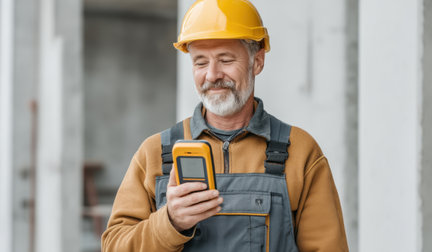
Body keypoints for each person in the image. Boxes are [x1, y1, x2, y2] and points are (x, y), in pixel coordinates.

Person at [101, 0, 348, 251]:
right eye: (200, 62)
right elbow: (114, 246)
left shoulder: (300, 152)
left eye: (225, 60)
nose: (212, 75)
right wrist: (170, 223)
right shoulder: (154, 153)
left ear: (257, 62)